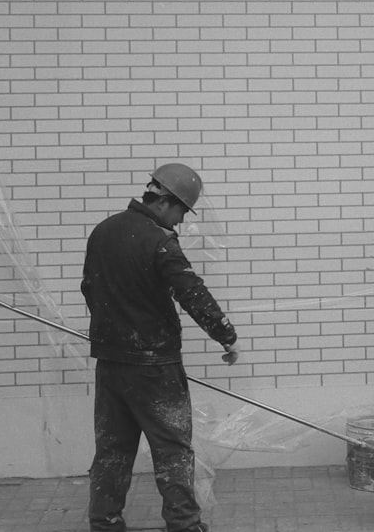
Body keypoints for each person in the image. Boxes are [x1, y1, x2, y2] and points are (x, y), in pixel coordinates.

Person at [81, 163, 238, 532]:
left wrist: (113, 329)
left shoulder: (103, 231)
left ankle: (104, 523)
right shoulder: (160, 241)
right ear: (165, 201)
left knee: (112, 451)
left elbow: (89, 288)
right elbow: (191, 292)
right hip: (155, 368)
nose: (181, 220)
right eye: (182, 210)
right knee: (172, 450)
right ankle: (183, 525)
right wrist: (225, 335)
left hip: (110, 361)